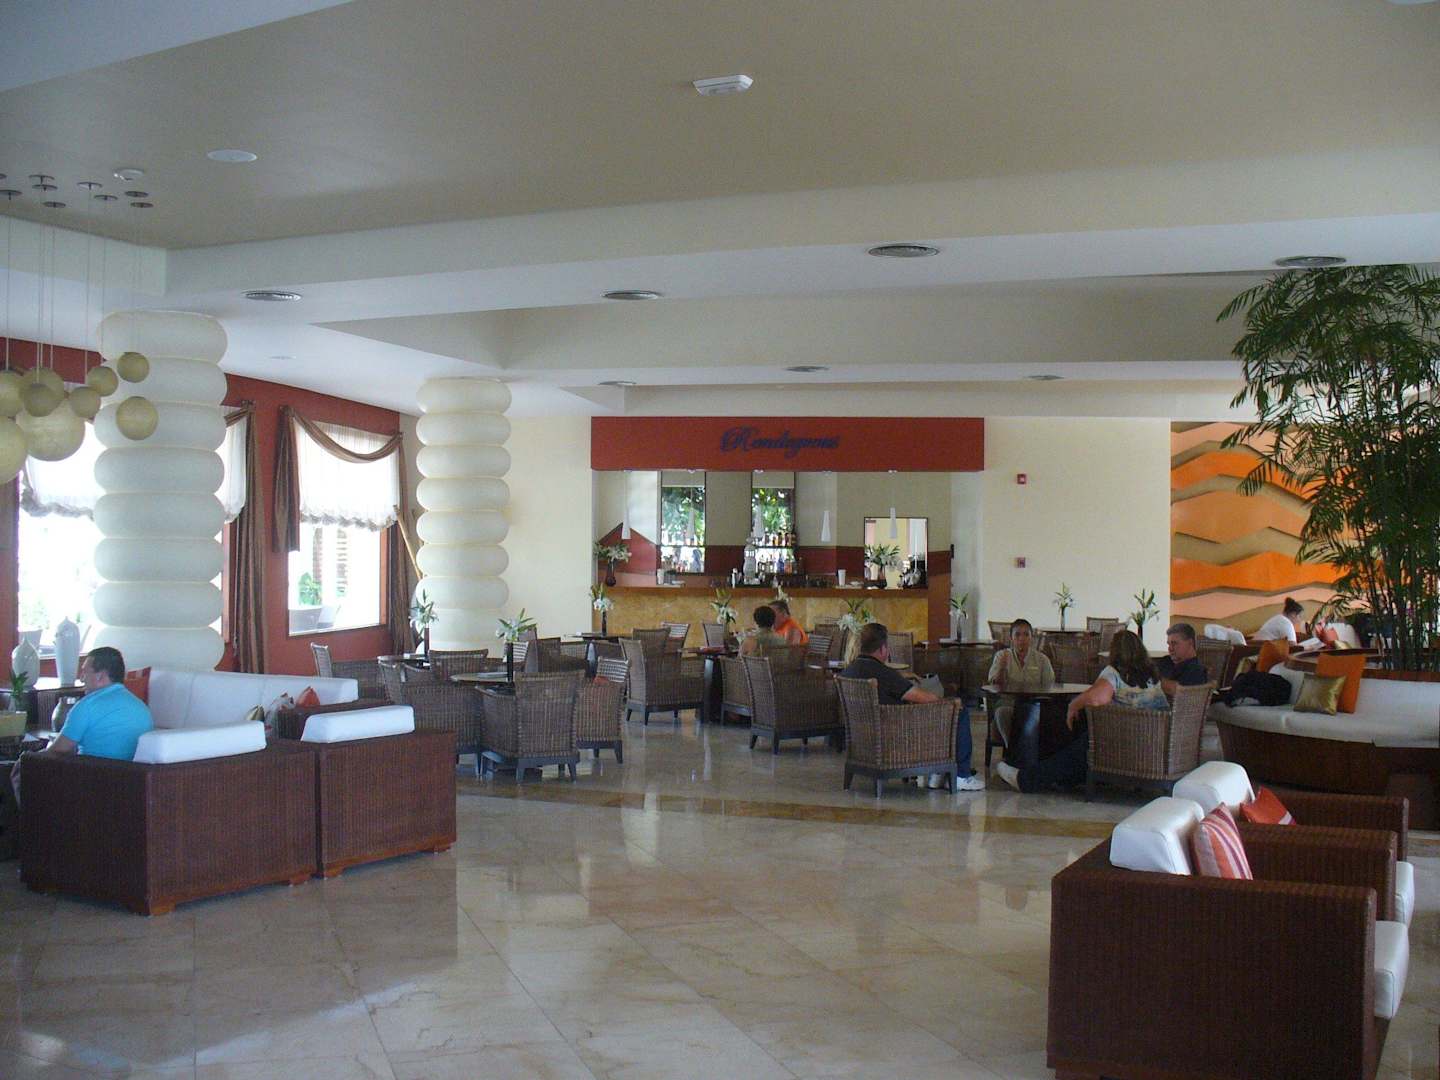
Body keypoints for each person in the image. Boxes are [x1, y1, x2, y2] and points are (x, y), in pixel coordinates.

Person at [993, 629, 1164, 792]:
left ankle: (1026, 780)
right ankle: (1065, 779)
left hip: (1119, 741)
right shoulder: (1152, 675)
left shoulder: (1115, 672)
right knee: (1079, 733)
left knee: (1076, 734)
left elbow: (1096, 698)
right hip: (1152, 742)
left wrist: (1073, 705)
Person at [842, 622, 985, 791]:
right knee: (958, 712)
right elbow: (925, 698)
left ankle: (938, 773)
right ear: (882, 649)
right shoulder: (883, 673)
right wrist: (951, 703)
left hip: (864, 741)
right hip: (897, 739)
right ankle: (961, 775)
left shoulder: (849, 671)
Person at [9, 646, 153, 803]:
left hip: (88, 782)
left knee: (23, 767)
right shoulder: (142, 708)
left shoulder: (87, 705)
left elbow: (58, 750)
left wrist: (30, 757)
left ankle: (31, 817)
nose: (81, 678)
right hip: (130, 786)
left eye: (85, 672)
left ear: (100, 676)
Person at [986, 618, 1056, 769]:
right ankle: (1013, 752)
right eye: (1017, 635)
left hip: (1034, 704)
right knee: (1002, 713)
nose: (1021, 639)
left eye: (1026, 634)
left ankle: (1040, 757)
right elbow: (993, 685)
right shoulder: (1001, 656)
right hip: (1008, 702)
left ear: (1032, 638)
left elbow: (1050, 687)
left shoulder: (1042, 660)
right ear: (1011, 638)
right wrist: (1002, 668)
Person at [1155, 622, 1210, 696]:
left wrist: (1153, 680)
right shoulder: (1166, 660)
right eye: (1169, 644)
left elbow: (1181, 691)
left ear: (1190, 643)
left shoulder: (1196, 669)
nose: (1170, 648)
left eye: (1174, 643)